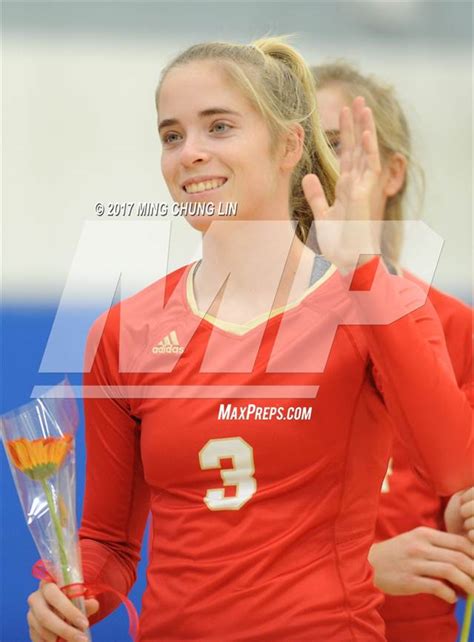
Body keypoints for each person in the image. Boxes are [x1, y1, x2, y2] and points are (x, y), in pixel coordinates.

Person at [26, 37, 473, 642]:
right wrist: (73, 596)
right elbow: (109, 543)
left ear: (290, 144)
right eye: (172, 135)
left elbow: (454, 465)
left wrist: (363, 271)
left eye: (219, 127)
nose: (191, 153)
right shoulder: (124, 330)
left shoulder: (377, 304)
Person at [311, 60, 474, 642]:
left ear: (393, 172)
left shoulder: (456, 328)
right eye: (304, 149)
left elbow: (459, 493)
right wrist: (359, 571)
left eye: (337, 144)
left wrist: (461, 519)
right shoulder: (245, 327)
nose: (323, 169)